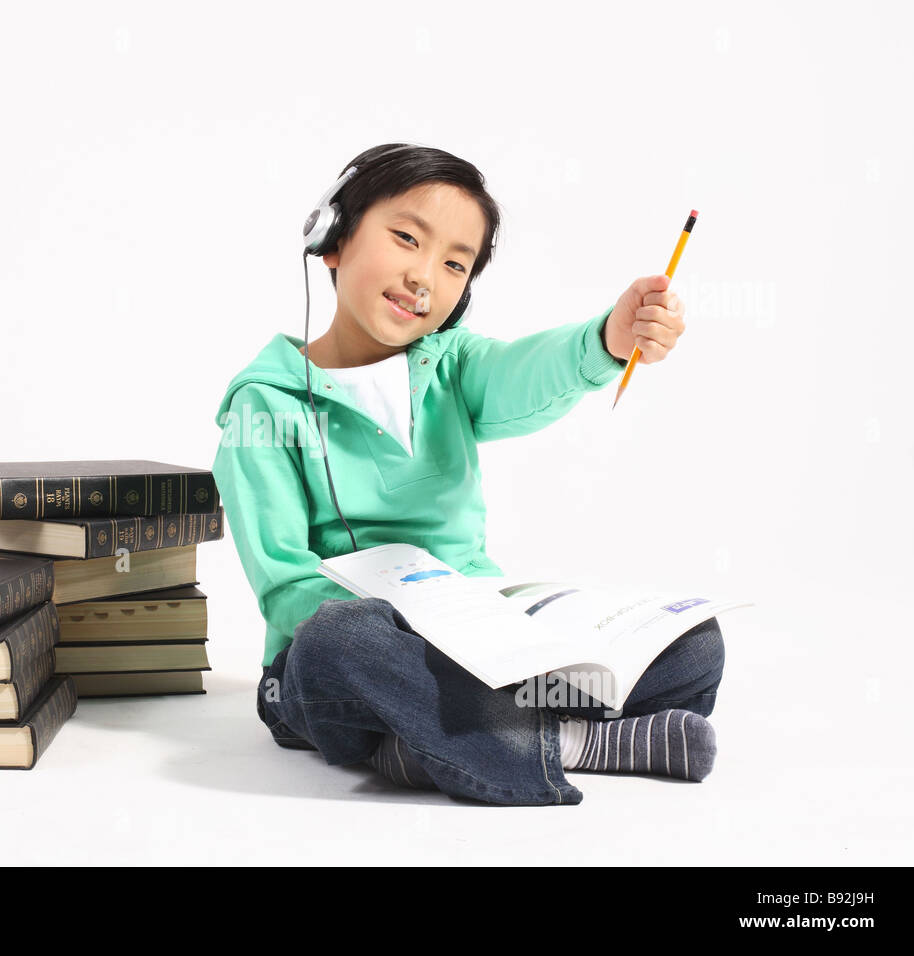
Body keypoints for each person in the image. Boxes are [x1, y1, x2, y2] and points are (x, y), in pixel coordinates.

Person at [210, 143, 722, 805]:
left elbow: (525, 371)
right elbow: (284, 586)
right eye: (405, 238)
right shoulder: (264, 407)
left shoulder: (451, 365)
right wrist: (423, 627)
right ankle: (572, 742)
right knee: (339, 639)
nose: (425, 275)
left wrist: (608, 339)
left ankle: (432, 743)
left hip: (487, 642)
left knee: (693, 643)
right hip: (355, 663)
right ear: (332, 238)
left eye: (455, 263)